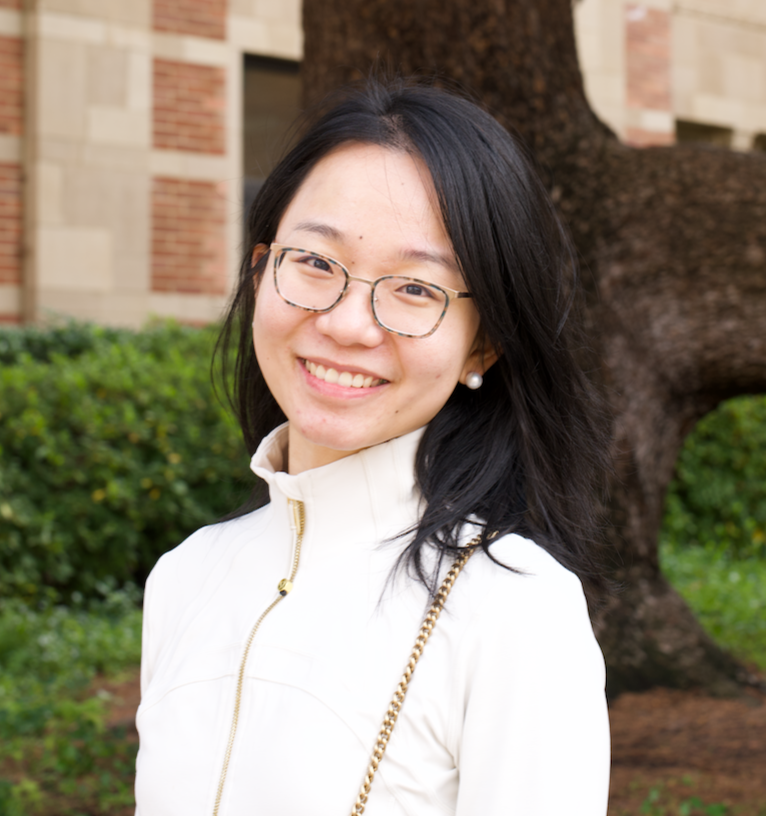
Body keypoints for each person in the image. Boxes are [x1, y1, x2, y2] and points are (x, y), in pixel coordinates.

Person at [134, 78, 611, 816]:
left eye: (417, 289)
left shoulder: (514, 609)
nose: (350, 325)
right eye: (317, 263)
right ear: (261, 270)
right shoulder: (187, 577)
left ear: (482, 344)